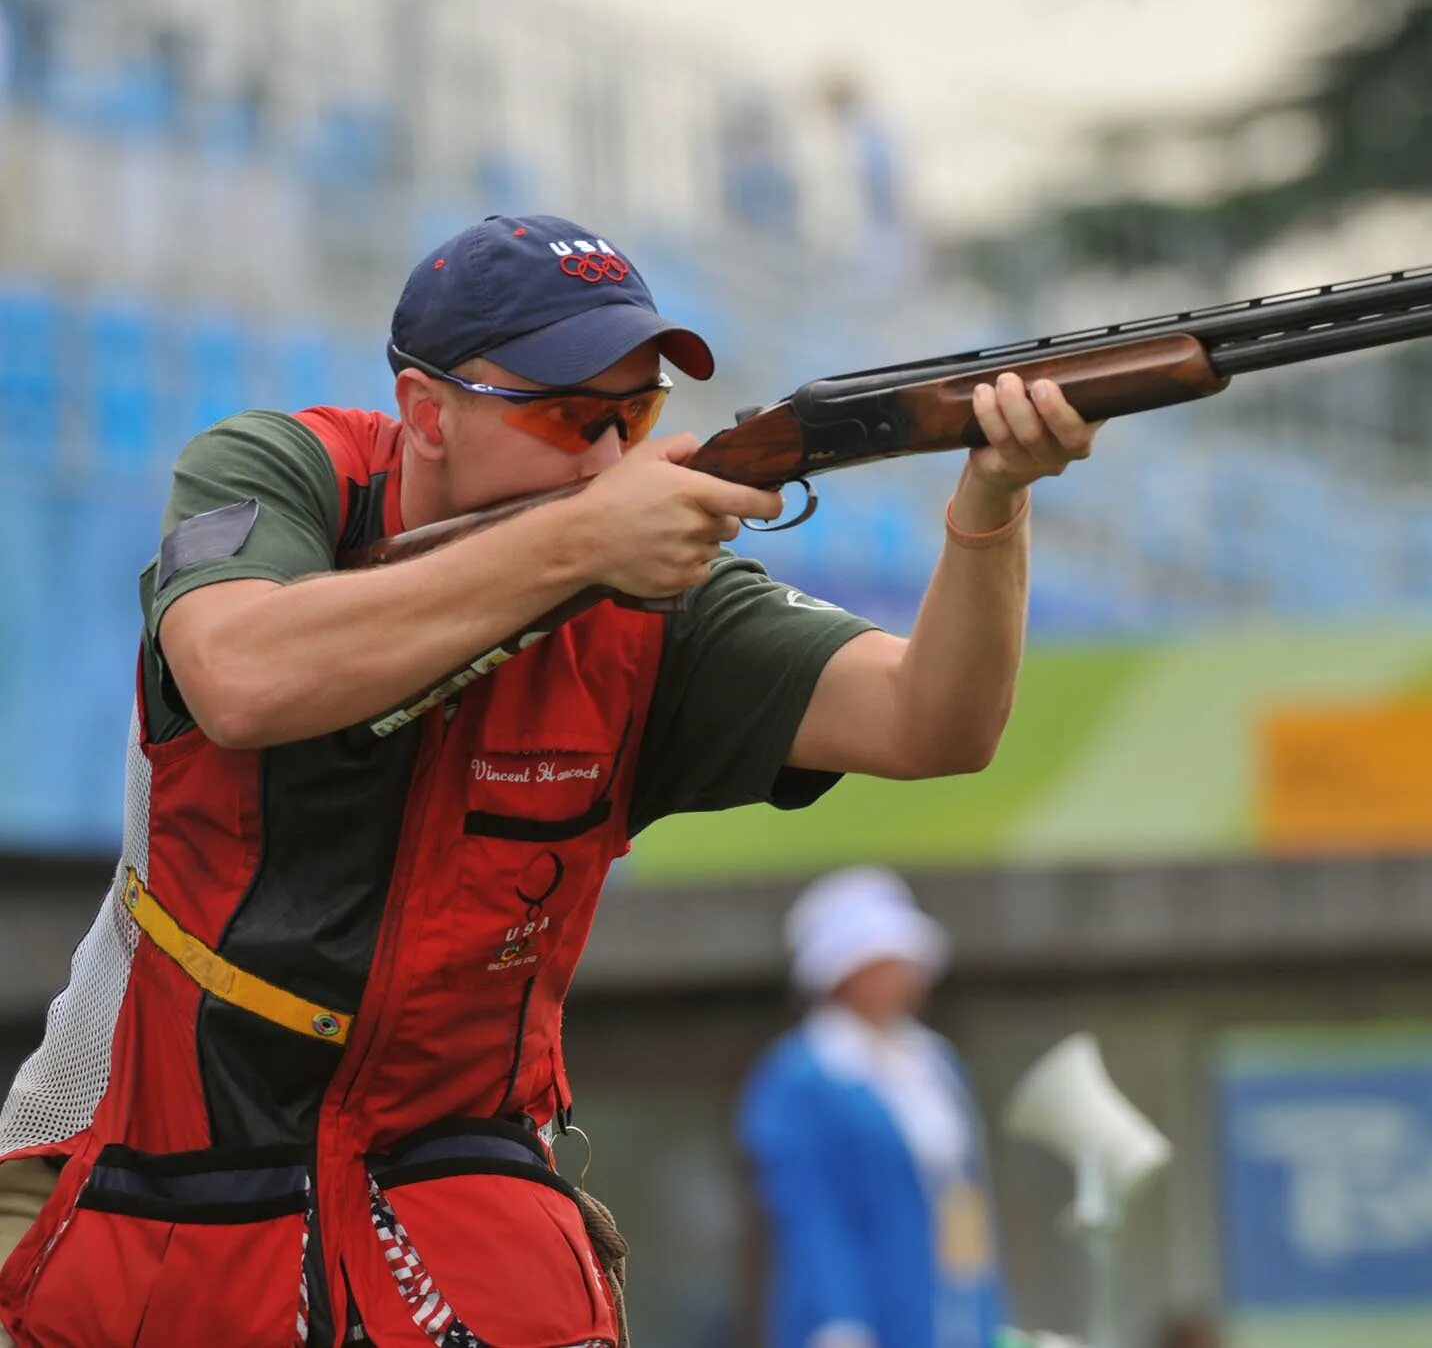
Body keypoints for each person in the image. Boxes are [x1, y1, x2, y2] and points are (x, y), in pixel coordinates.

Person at [0, 213, 1098, 1348]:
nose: (614, 461)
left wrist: (993, 507)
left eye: (641, 415)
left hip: (456, 1205)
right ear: (426, 411)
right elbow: (239, 674)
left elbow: (935, 719)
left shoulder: (653, 602)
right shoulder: (285, 472)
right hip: (154, 1192)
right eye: (576, 417)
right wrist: (580, 545)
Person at [739, 867, 1006, 1348]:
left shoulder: (935, 1061)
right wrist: (839, 1322)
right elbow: (810, 1214)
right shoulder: (801, 1075)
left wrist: (982, 1300)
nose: (902, 977)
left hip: (952, 1303)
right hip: (862, 1313)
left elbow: (964, 1192)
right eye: (883, 961)